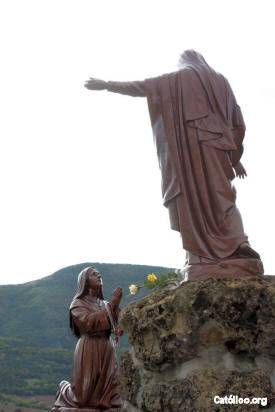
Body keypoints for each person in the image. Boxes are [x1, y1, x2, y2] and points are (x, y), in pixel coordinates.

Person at [84, 50, 263, 280]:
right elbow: (239, 124)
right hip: (219, 150)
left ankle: (204, 256)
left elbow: (142, 87)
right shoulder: (221, 82)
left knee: (196, 202)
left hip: (192, 153)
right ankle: (238, 243)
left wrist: (107, 84)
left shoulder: (178, 79)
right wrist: (234, 157)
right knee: (224, 198)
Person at [51, 266, 123, 411]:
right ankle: (64, 390)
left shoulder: (104, 304)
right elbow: (88, 323)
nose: (98, 276)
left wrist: (118, 320)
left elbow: (117, 324)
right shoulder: (77, 303)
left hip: (106, 347)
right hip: (89, 348)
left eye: (99, 274)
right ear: (85, 281)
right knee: (83, 397)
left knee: (108, 391)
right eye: (94, 274)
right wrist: (113, 304)